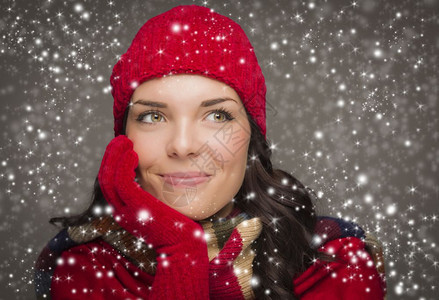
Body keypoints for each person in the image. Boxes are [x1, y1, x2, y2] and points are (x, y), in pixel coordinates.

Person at [34, 4, 387, 299]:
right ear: (123, 138)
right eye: (153, 116)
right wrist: (180, 253)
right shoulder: (83, 268)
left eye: (217, 115)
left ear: (252, 137)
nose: (183, 145)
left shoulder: (337, 262)